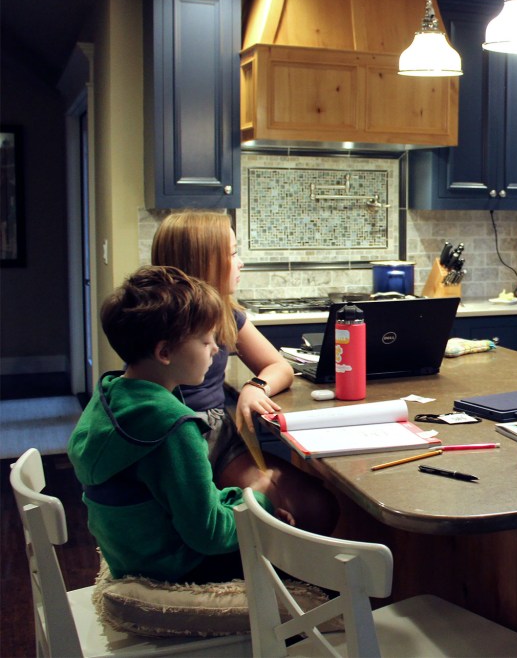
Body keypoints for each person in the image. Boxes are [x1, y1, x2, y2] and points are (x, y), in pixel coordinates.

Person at [68, 266, 289, 582]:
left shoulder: (111, 393)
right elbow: (208, 535)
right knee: (299, 556)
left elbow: (197, 502)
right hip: (175, 569)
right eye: (206, 341)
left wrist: (247, 504)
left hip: (132, 554)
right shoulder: (173, 427)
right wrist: (262, 503)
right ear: (164, 352)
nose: (216, 349)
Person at [151, 210, 338, 535]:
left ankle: (293, 579)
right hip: (187, 446)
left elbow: (279, 366)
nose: (241, 263)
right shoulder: (159, 326)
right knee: (292, 511)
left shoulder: (225, 310)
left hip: (222, 439)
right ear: (202, 262)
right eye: (233, 254)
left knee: (318, 503)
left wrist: (256, 387)